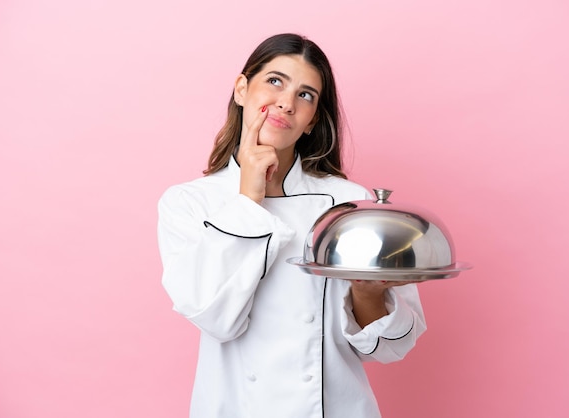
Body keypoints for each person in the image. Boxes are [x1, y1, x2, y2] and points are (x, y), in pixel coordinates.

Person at [157, 33, 426, 418]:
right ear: (240, 89)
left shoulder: (347, 202)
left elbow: (392, 346)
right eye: (275, 81)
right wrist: (248, 198)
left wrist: (368, 294)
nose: (286, 102)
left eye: (306, 95)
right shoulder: (188, 202)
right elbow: (216, 318)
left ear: (313, 118)